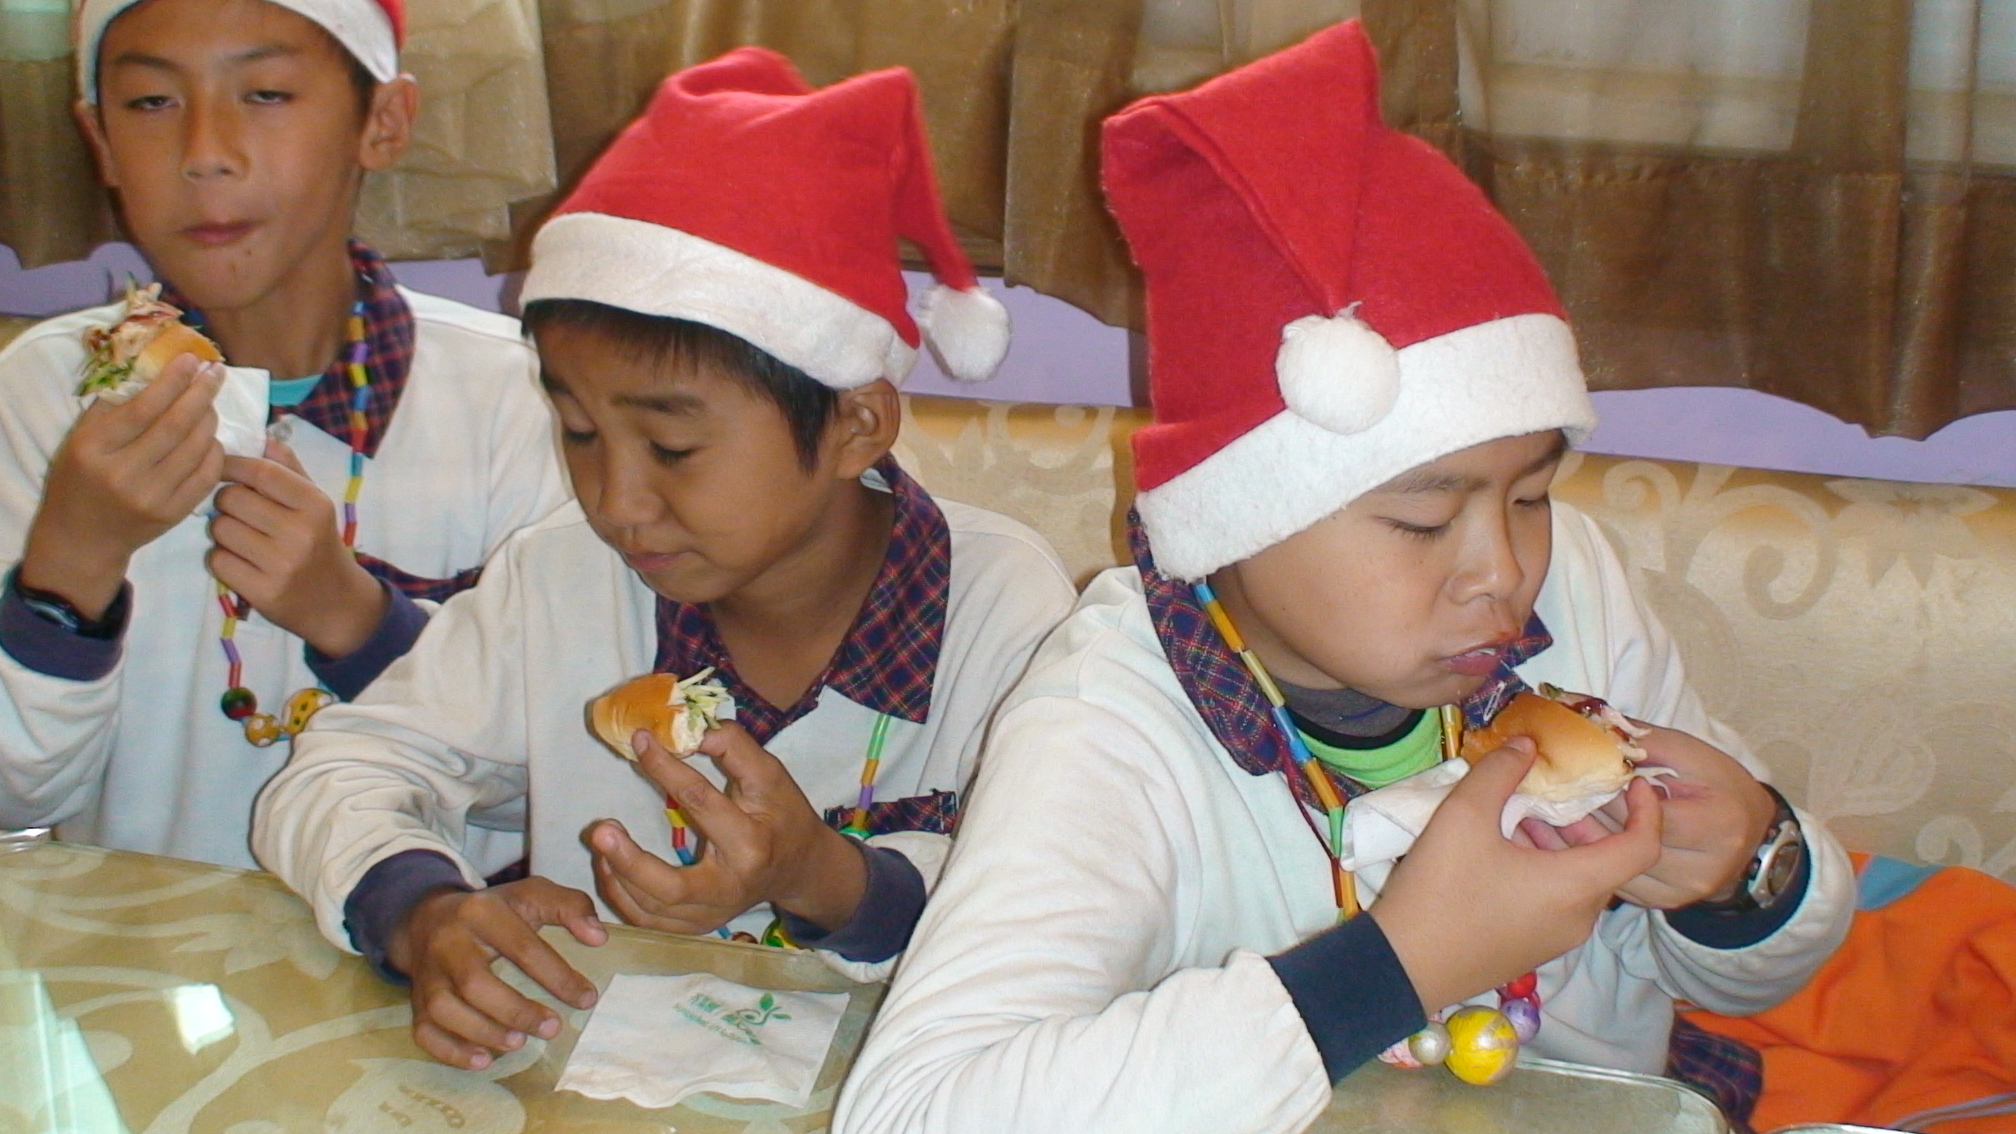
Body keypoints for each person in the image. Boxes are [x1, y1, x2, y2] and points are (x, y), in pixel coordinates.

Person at [836, 21, 1853, 1134]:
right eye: (1423, 521)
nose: (1503, 573)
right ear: (1239, 520)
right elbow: (914, 1112)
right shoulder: (1107, 723)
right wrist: (1396, 965)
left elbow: (1735, 977)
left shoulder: (1579, 595)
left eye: (1530, 498)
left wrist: (1747, 868)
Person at [253, 48, 1077, 1074]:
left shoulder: (1004, 609)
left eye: (674, 447)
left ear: (857, 424)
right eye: (579, 433)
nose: (617, 501)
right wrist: (422, 913)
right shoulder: (562, 577)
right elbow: (344, 769)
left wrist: (821, 874)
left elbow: (1059, 904)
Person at [0, 0, 564, 868]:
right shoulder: (45, 394)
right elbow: (14, 800)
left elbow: (556, 790)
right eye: (151, 102)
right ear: (100, 141)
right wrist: (72, 560)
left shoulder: (524, 403)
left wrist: (356, 619)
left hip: (419, 941)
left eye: (265, 93)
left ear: (383, 121)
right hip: (135, 947)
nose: (205, 152)